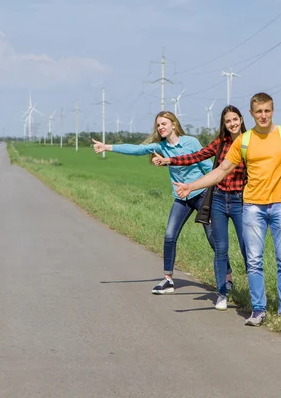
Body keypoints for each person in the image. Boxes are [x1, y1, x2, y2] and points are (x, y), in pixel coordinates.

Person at [173, 92, 281, 326]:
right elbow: (221, 170)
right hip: (252, 208)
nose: (263, 115)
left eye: (267, 110)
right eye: (258, 111)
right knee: (255, 260)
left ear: (273, 110)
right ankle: (259, 309)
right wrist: (191, 186)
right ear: (251, 113)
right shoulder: (244, 140)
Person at [91, 111, 215, 295]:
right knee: (169, 236)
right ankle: (168, 280)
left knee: (214, 238)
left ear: (174, 124)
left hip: (201, 194)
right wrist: (107, 147)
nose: (160, 127)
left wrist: (215, 192)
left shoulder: (191, 142)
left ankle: (227, 279)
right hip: (181, 197)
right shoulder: (161, 147)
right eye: (158, 125)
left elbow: (208, 168)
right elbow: (135, 149)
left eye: (164, 123)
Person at [152, 105, 247, 311]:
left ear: (241, 119)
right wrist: (170, 160)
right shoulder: (221, 143)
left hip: (241, 200)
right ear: (224, 124)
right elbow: (197, 156)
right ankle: (222, 291)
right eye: (227, 121)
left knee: (247, 248)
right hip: (220, 198)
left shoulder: (250, 141)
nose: (231, 124)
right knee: (219, 247)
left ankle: (256, 297)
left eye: (234, 119)